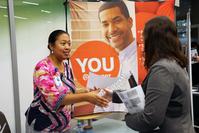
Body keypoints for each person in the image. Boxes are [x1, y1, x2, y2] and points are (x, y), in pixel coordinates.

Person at [110, 16, 195, 133]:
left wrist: (128, 118)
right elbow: (144, 92)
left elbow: (150, 119)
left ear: (153, 41)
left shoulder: (162, 69)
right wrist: (112, 95)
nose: (142, 44)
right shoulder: (174, 63)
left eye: (144, 39)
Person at [25, 30, 109, 133]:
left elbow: (67, 92)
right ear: (51, 46)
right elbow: (55, 99)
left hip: (63, 126)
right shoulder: (42, 68)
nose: (67, 47)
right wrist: (87, 97)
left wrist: (86, 91)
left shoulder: (66, 66)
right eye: (63, 43)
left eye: (69, 43)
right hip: (43, 126)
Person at [94, 0, 138, 115]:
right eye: (105, 24)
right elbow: (100, 105)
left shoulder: (143, 58)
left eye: (117, 21)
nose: (111, 29)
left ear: (130, 22)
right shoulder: (107, 63)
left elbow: (141, 102)